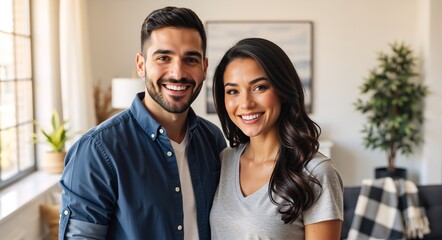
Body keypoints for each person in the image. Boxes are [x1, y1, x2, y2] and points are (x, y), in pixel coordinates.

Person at [58, 6, 226, 240]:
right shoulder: (96, 150)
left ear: (204, 68)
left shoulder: (213, 139)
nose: (177, 73)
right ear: (140, 65)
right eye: (163, 58)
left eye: (190, 59)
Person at [209, 38, 343, 239]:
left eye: (259, 87)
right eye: (233, 91)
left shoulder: (316, 172)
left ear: (283, 90)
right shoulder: (224, 160)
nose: (245, 103)